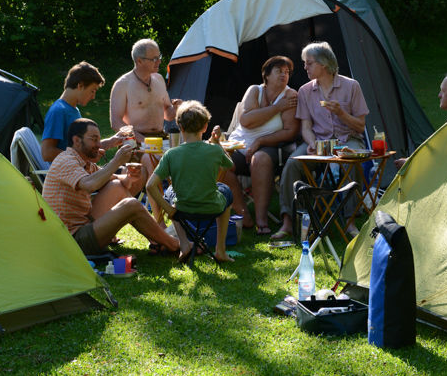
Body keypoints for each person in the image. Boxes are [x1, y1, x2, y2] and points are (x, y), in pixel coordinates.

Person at [270, 41, 368, 241]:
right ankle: (288, 222)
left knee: (351, 161)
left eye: (309, 63)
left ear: (324, 64)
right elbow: (305, 126)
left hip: (348, 139)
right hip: (319, 141)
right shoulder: (306, 91)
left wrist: (341, 113)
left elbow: (360, 126)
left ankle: (349, 222)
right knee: (292, 164)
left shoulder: (351, 86)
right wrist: (312, 142)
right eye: (305, 63)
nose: (305, 67)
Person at [42, 118, 179, 256]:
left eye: (99, 140)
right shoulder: (66, 160)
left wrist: (128, 178)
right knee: (131, 205)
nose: (98, 144)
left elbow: (111, 178)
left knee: (116, 187)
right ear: (77, 140)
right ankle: (175, 245)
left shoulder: (85, 163)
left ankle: (158, 241)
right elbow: (90, 184)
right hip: (69, 239)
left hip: (81, 226)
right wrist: (117, 160)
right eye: (94, 139)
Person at [146, 100, 235, 264]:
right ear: (205, 127)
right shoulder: (214, 150)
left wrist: (168, 210)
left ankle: (184, 243)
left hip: (182, 208)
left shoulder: (171, 154)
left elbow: (150, 185)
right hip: (211, 206)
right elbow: (229, 165)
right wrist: (218, 144)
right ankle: (220, 250)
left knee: (171, 192)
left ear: (180, 127)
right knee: (226, 191)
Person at [219, 55, 299, 236]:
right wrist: (277, 108)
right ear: (267, 75)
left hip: (272, 145)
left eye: (287, 72)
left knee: (260, 158)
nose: (284, 75)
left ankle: (261, 219)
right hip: (239, 143)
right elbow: (246, 120)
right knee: (220, 161)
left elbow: (290, 131)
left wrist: (260, 141)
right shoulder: (255, 90)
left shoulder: (290, 96)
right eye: (279, 71)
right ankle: (243, 215)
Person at [41, 61, 129, 164]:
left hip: (81, 172)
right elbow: (47, 153)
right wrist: (84, 158)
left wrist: (111, 142)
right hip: (69, 176)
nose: (93, 96)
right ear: (80, 86)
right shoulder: (59, 111)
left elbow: (82, 148)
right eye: (92, 90)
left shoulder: (73, 110)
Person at [109, 38, 181, 141]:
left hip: (160, 137)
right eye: (154, 59)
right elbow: (116, 123)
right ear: (139, 61)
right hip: (134, 140)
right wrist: (143, 141)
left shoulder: (159, 79)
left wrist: (176, 108)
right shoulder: (122, 84)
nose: (159, 61)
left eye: (159, 57)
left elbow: (168, 115)